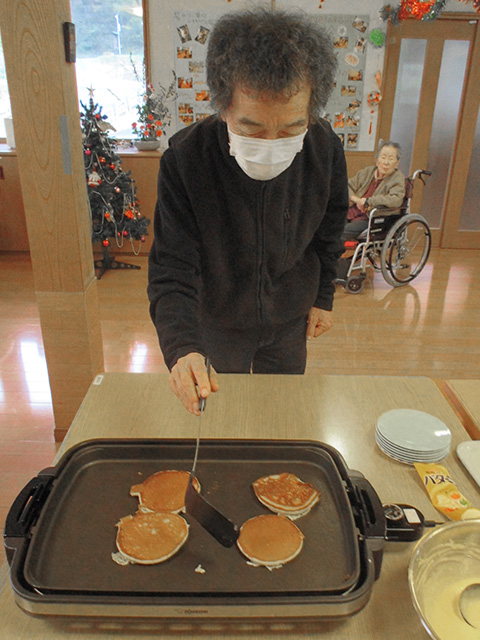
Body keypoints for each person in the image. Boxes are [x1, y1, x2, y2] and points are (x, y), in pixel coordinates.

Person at [147, 8, 349, 415]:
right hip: (218, 319)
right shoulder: (187, 159)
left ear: (311, 112)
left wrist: (324, 296)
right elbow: (172, 266)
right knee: (222, 416)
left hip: (290, 316)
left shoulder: (325, 149)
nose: (272, 142)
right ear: (223, 107)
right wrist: (182, 346)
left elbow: (330, 230)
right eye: (252, 128)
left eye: (291, 127)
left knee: (281, 412)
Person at [342, 141, 405, 242]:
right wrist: (356, 200)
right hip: (351, 212)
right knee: (327, 224)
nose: (386, 162)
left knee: (340, 232)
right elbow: (346, 186)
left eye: (391, 158)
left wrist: (369, 201)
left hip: (371, 219)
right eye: (383, 157)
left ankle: (332, 256)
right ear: (377, 160)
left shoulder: (397, 178)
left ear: (397, 163)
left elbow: (395, 199)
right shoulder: (367, 172)